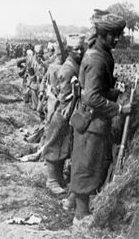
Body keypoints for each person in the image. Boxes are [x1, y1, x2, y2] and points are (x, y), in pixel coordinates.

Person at [70, 12, 132, 228]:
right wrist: (119, 108)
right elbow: (93, 97)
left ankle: (75, 205)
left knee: (87, 163)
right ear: (103, 35)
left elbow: (98, 89)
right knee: (86, 166)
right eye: (113, 35)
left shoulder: (101, 52)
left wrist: (114, 92)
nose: (117, 39)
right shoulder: (96, 58)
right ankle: (80, 216)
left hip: (93, 120)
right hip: (91, 122)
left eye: (119, 35)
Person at [42, 33, 86, 199]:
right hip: (63, 112)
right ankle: (52, 180)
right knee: (55, 145)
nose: (80, 52)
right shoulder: (68, 69)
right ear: (69, 50)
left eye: (82, 49)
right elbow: (66, 97)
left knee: (62, 147)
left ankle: (59, 179)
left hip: (68, 111)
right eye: (76, 49)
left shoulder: (75, 65)